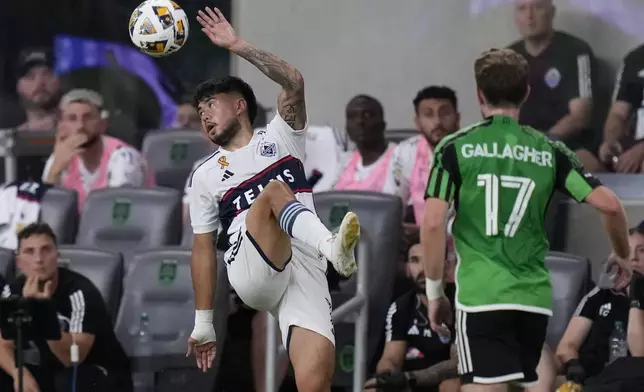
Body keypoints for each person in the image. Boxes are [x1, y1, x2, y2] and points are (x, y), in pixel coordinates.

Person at [421, 48, 631, 392]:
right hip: (532, 299)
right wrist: (622, 252)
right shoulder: (549, 151)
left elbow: (431, 224)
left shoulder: (454, 147)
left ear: (479, 94)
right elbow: (610, 206)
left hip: (481, 294)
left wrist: (434, 293)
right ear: (526, 93)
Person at [186, 7, 360, 392]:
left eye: (211, 105)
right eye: (200, 112)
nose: (205, 117)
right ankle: (333, 247)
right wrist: (203, 324)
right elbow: (201, 249)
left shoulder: (281, 137)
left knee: (316, 381)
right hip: (251, 268)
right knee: (274, 193)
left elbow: (294, 82)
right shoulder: (204, 174)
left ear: (240, 104)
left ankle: (329, 251)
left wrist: (237, 45)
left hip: (302, 264)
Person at [0, 223, 132, 392]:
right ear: (19, 261)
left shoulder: (81, 292)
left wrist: (39, 310)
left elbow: (73, 358)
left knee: (68, 379)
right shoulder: (12, 291)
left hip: (100, 373)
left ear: (57, 256)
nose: (39, 259)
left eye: (46, 250)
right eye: (29, 252)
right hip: (52, 370)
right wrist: (19, 373)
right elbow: (3, 344)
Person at [508, 0, 602, 172]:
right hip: (519, 146)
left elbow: (580, 117)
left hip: (566, 143)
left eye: (537, 7)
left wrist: (544, 144)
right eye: (522, 9)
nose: (529, 16)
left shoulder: (575, 51)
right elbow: (500, 115)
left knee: (587, 165)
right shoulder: (506, 58)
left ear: (551, 12)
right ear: (516, 16)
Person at [364, 232, 459, 392]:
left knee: (451, 387)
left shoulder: (459, 303)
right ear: (408, 268)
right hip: (409, 382)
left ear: (446, 266)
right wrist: (387, 378)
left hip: (442, 381)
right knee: (372, 389)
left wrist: (412, 378)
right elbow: (391, 358)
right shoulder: (402, 306)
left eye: (429, 259)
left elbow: (458, 363)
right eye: (415, 261)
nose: (422, 269)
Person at [555, 224, 644, 386]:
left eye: (642, 251)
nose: (633, 258)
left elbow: (640, 356)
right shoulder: (601, 294)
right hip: (585, 380)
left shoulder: (639, 302)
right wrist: (573, 365)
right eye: (627, 251)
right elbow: (567, 345)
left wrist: (637, 293)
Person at [42, 89, 156, 210]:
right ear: (61, 126)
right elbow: (47, 211)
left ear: (103, 124)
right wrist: (55, 170)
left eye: (88, 118)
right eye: (72, 118)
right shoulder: (60, 157)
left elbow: (115, 212)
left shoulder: (123, 158)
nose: (80, 126)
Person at [392, 86, 460, 225]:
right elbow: (394, 204)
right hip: (423, 241)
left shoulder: (473, 152)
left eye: (445, 113)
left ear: (457, 118)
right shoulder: (406, 152)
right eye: (429, 114)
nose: (437, 122)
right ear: (417, 122)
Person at [333, 95, 398, 194]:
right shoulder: (344, 161)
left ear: (382, 125)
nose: (359, 121)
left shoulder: (399, 158)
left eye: (368, 115)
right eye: (352, 116)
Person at [599, 43, 644, 173]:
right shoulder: (636, 59)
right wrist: (611, 142)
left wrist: (641, 150)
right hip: (632, 145)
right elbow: (618, 114)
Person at [14, 48, 62, 132]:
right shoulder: (9, 139)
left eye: (47, 74)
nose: (39, 83)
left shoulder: (80, 132)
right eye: (30, 76)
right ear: (18, 86)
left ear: (60, 81)